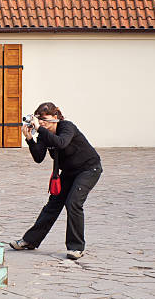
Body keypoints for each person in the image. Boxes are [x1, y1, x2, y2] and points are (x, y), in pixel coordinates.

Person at [10, 102, 102, 260]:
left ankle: (76, 247)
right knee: (52, 206)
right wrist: (30, 139)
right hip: (68, 172)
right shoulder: (44, 134)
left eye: (44, 119)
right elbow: (39, 158)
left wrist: (39, 129)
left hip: (88, 169)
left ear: (55, 117)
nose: (42, 122)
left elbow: (61, 142)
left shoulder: (67, 127)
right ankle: (30, 241)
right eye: (39, 119)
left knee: (73, 203)